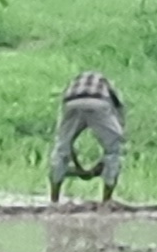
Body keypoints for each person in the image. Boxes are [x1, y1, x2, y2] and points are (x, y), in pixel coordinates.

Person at [48, 71, 126, 203]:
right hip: (99, 102)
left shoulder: (74, 83)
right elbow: (119, 117)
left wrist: (78, 168)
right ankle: (106, 201)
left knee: (61, 148)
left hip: (70, 102)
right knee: (114, 150)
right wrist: (103, 162)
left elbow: (68, 142)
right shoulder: (107, 85)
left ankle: (54, 200)